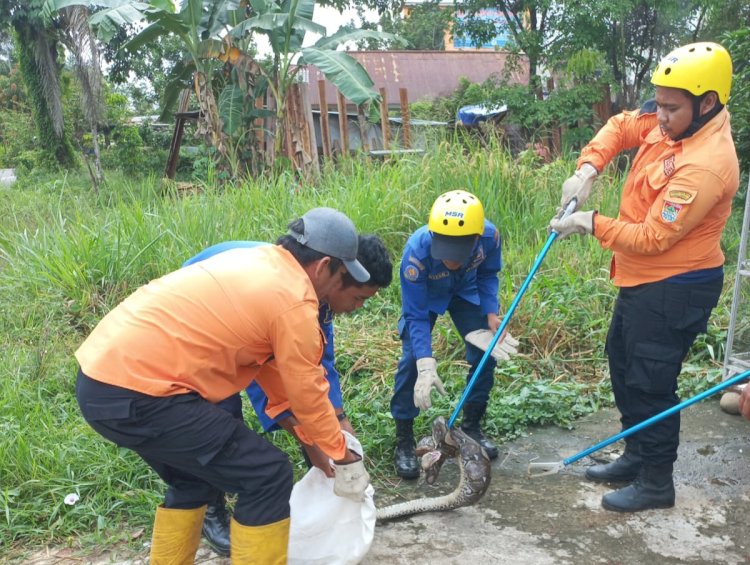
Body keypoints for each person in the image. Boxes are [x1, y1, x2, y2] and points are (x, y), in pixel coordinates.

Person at [75, 207, 373, 564]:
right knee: (267, 474)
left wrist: (315, 437)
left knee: (193, 481)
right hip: (143, 391)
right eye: (344, 279)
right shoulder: (294, 300)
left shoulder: (261, 263)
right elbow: (308, 391)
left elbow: (276, 375)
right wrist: (342, 454)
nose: (340, 295)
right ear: (324, 266)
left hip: (100, 381)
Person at [549, 42, 739, 512]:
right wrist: (590, 168)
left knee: (652, 382)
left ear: (707, 103)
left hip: (676, 286)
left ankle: (656, 483)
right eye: (659, 104)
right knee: (624, 365)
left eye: (671, 108)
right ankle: (635, 453)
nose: (660, 116)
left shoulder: (705, 164)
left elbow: (654, 237)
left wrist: (590, 222)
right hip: (641, 281)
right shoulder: (671, 122)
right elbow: (621, 125)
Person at [182, 235, 393, 556]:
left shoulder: (317, 295)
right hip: (203, 315)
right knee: (221, 415)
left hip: (243, 319)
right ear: (336, 275)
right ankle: (214, 507)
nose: (358, 308)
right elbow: (267, 377)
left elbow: (320, 365)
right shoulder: (285, 299)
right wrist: (324, 445)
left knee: (305, 418)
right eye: (359, 297)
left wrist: (339, 423)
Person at [391, 189, 518, 479]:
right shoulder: (416, 255)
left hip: (466, 293)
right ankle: (404, 440)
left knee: (486, 354)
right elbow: (416, 314)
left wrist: (490, 313)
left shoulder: (489, 238)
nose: (450, 260)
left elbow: (487, 274)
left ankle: (471, 426)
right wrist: (426, 362)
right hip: (428, 298)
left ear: (475, 239)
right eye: (445, 251)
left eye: (458, 253)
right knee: (412, 360)